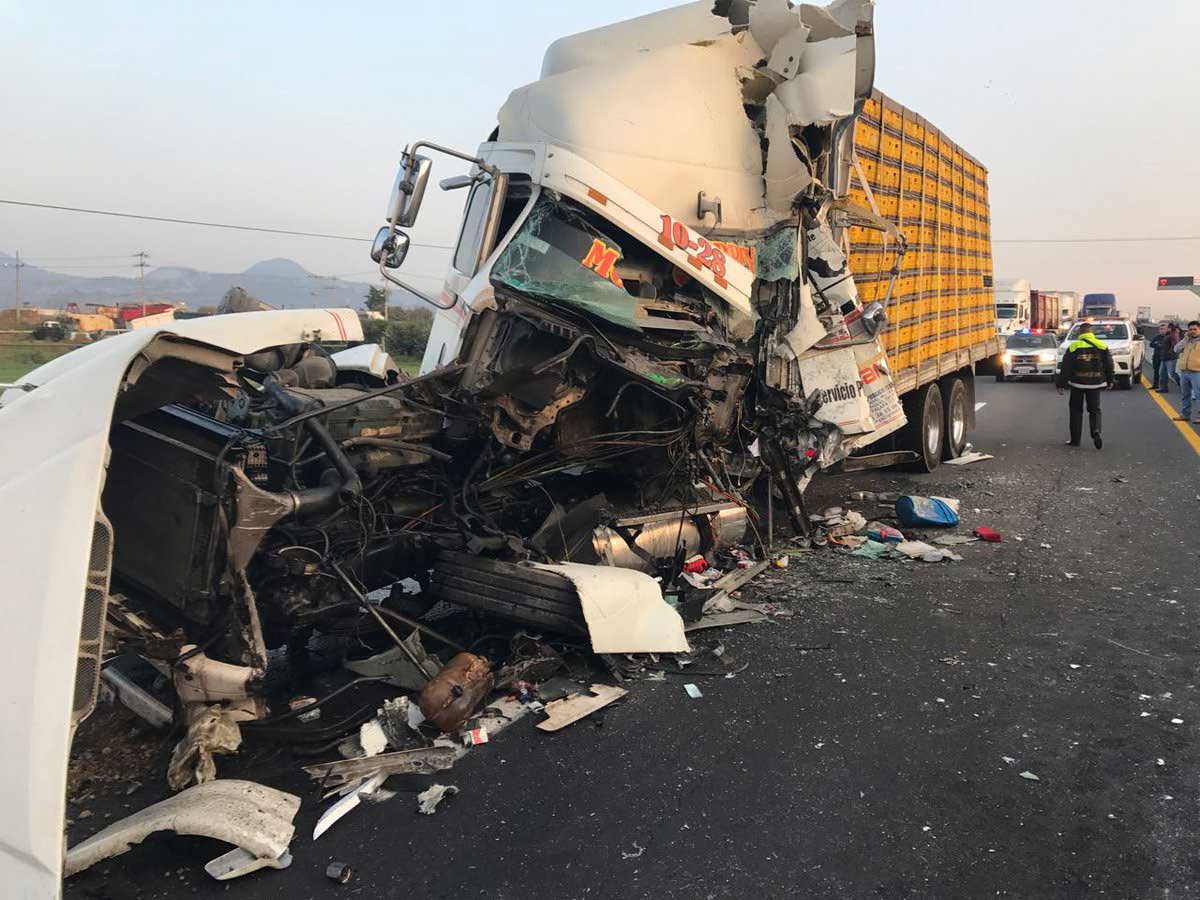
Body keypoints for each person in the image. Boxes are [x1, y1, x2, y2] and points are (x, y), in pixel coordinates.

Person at [1056, 322, 1114, 448]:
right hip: (1095, 383)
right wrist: (1110, 380)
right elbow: (1109, 365)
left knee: (1076, 410)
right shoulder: (1102, 346)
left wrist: (1061, 384)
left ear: (1080, 333)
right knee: (1095, 410)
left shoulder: (1073, 346)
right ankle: (1096, 431)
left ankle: (1075, 440)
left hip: (1077, 383)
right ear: (1092, 332)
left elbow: (1066, 367)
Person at [1175, 321, 1200, 424]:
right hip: (1184, 371)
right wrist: (1185, 339)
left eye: (1195, 329)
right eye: (1190, 329)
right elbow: (1176, 349)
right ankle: (1185, 415)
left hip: (1197, 371)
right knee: (1185, 394)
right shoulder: (1187, 341)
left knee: (1199, 394)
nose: (1192, 331)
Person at [1150, 323, 1177, 393]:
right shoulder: (1157, 336)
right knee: (1160, 372)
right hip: (1160, 357)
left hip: (1168, 358)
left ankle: (1182, 385)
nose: (1162, 330)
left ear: (1168, 329)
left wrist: (1159, 344)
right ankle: (1161, 387)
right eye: (1160, 329)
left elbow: (1173, 347)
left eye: (1164, 329)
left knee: (1172, 373)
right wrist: (1159, 344)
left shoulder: (1171, 336)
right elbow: (1152, 344)